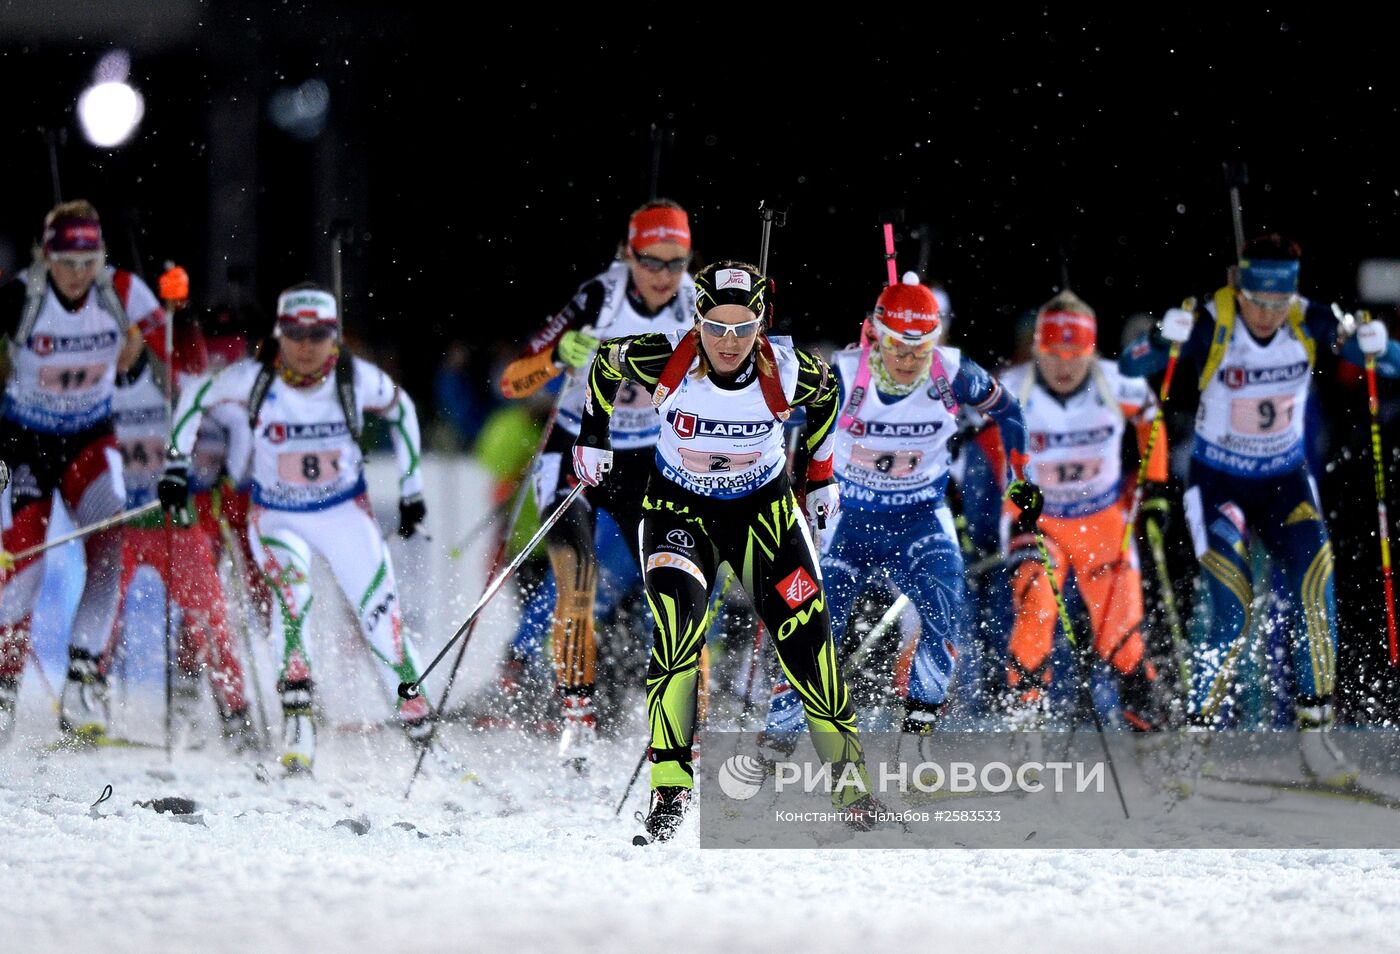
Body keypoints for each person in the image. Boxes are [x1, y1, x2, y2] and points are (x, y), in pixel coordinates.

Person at [574, 259, 876, 841]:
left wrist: (821, 473)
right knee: (677, 636)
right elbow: (604, 367)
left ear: (761, 322)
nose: (729, 341)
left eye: (744, 327)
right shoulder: (664, 355)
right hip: (677, 512)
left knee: (811, 646)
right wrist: (594, 438)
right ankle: (669, 792)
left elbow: (829, 396)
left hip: (762, 513)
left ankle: (853, 789)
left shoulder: (789, 370)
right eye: (716, 326)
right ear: (698, 319)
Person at [1120, 233, 1400, 784]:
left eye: (1279, 303)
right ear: (1238, 287)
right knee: (1232, 604)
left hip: (1284, 485)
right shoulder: (1209, 321)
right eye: (1258, 302)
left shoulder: (1312, 319)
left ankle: (1315, 735)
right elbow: (1131, 365)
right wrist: (1158, 339)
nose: (1269, 315)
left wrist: (1378, 342)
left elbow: (1388, 365)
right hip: (1219, 484)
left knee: (1315, 584)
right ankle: (1195, 738)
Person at [160, 282, 428, 773]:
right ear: (279, 334)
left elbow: (403, 409)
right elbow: (196, 397)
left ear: (335, 336)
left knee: (381, 617)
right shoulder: (254, 379)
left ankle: (423, 737)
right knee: (292, 601)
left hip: (343, 513)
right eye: (296, 333)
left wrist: (412, 489)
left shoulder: (355, 378)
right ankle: (297, 725)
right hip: (278, 515)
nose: (307, 346)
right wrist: (176, 467)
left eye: (319, 334)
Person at [762, 274, 1029, 737]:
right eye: (897, 348)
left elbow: (1010, 411)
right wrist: (767, 360)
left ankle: (917, 731)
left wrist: (1021, 477)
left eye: (920, 349)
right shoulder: (843, 373)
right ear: (875, 335)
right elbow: (769, 404)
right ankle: (780, 735)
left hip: (920, 517)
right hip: (848, 520)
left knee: (945, 606)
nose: (908, 361)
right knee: (811, 617)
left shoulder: (955, 372)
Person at [497, 198, 696, 771]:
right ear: (626, 254)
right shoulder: (598, 298)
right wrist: (558, 357)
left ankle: (684, 724)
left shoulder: (695, 305)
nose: (662, 275)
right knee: (577, 589)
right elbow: (515, 381)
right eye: (650, 261)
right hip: (577, 447)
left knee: (679, 593)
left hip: (652, 456)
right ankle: (576, 720)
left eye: (675, 262)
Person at [0, 200, 177, 742]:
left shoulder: (122, 293)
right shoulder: (21, 297)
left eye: (88, 260)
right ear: (45, 257)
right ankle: (5, 685)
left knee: (109, 538)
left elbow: (168, 354)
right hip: (24, 441)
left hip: (88, 438)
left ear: (101, 257)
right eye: (66, 261)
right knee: (23, 567)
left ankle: (82, 679)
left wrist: (139, 355)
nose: (78, 273)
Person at [998, 290, 1167, 731]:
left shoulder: (1115, 383)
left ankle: (1146, 729)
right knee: (1036, 605)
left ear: (1092, 349)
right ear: (1038, 348)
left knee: (1122, 637)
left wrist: (1155, 489)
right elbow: (960, 423)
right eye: (1054, 353)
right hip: (1039, 520)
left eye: (1076, 354)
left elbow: (1151, 414)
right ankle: (1026, 718)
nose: (1065, 366)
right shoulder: (1014, 389)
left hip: (1102, 521)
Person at [106, 290, 259, 751]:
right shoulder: (92, 390)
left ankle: (236, 716)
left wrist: (227, 475)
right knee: (101, 611)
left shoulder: (172, 381)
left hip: (176, 521)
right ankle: (88, 706)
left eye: (123, 338)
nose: (113, 350)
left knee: (210, 619)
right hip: (122, 523)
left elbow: (231, 421)